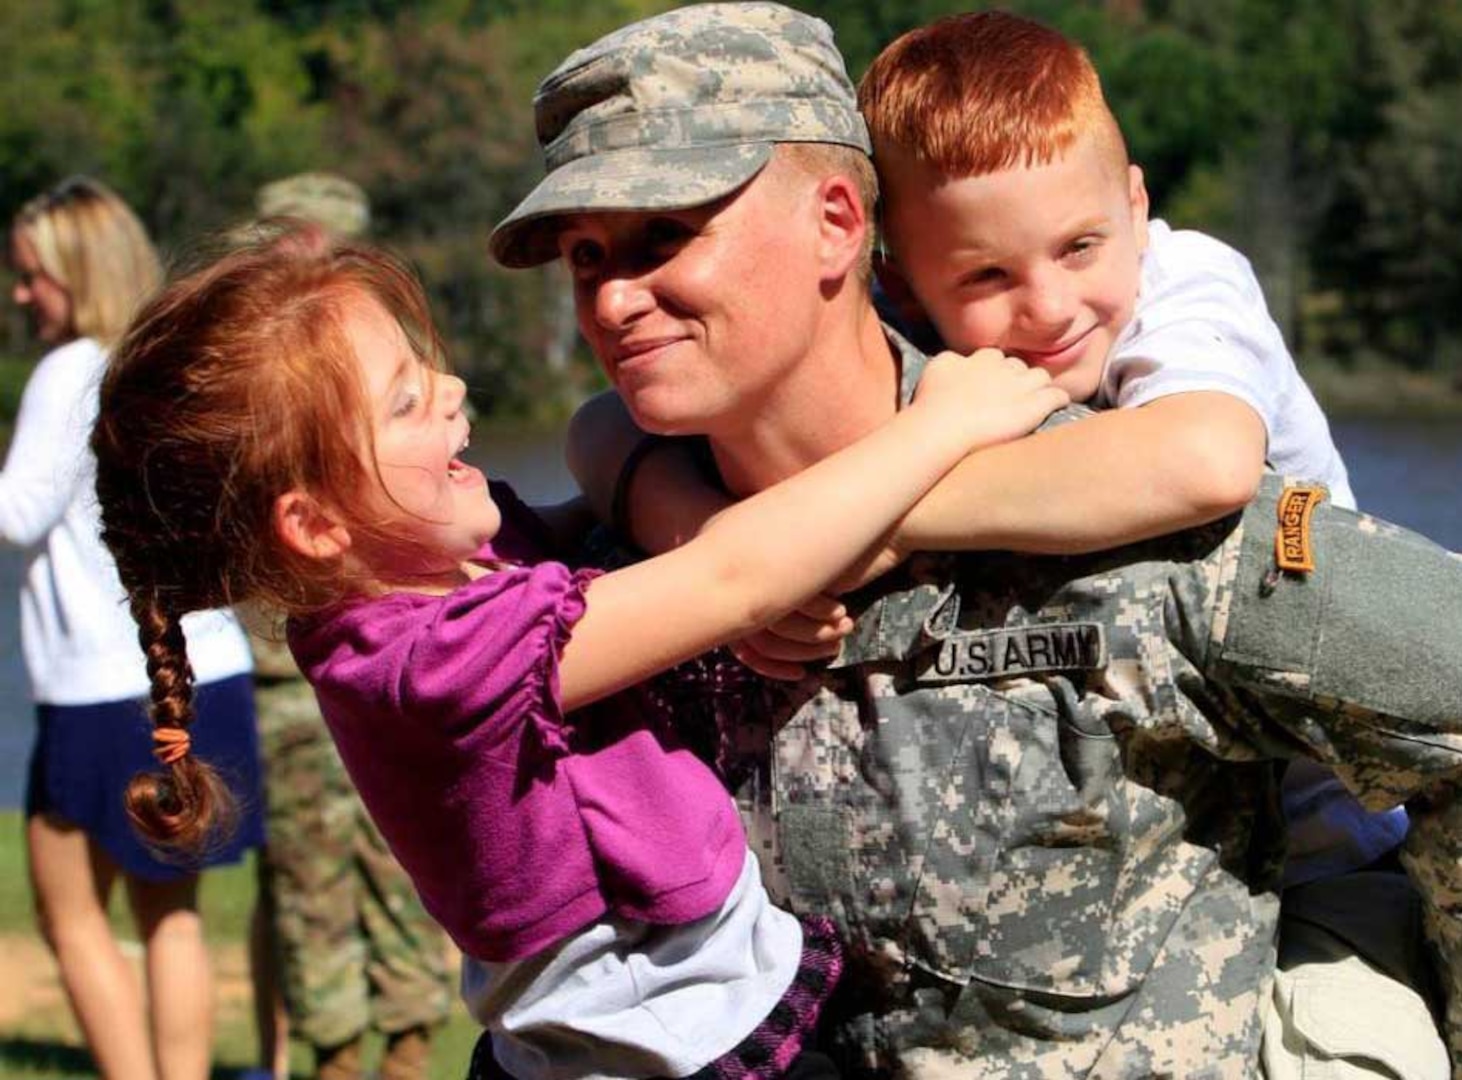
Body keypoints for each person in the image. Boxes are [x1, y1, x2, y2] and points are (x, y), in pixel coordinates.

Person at [488, 4, 1462, 1077]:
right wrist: (726, 550)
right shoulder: (613, 583)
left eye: (664, 236)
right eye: (586, 258)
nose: (615, 299)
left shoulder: (1129, 509)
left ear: (837, 223)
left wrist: (1458, 1051)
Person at [89, 236, 1067, 1078]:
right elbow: (734, 576)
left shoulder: (444, 576)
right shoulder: (432, 664)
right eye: (403, 403)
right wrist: (945, 424)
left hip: (680, 1013)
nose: (453, 389)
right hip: (670, 1043)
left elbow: (619, 498)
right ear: (313, 523)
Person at [5, 176, 262, 1080]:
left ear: (77, 270)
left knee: (69, 913)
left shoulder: (68, 371)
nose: (19, 292)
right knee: (173, 913)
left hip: (98, 687)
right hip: (197, 671)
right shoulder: (170, 365)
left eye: (32, 274)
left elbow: (15, 514)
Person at [235, 174, 452, 1080]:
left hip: (387, 658)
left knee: (399, 871)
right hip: (294, 682)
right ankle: (324, 1058)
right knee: (308, 888)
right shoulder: (257, 371)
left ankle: (401, 1054)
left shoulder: (378, 362)